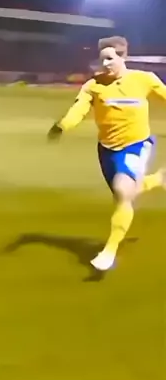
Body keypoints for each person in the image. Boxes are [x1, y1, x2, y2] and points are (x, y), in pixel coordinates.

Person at [48, 36, 166, 271]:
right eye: (102, 59)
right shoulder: (94, 85)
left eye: (110, 59)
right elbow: (79, 108)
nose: (105, 64)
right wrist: (63, 125)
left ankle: (109, 251)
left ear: (123, 57)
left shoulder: (144, 80)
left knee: (123, 193)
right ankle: (158, 180)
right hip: (106, 150)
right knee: (125, 194)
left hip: (136, 146)